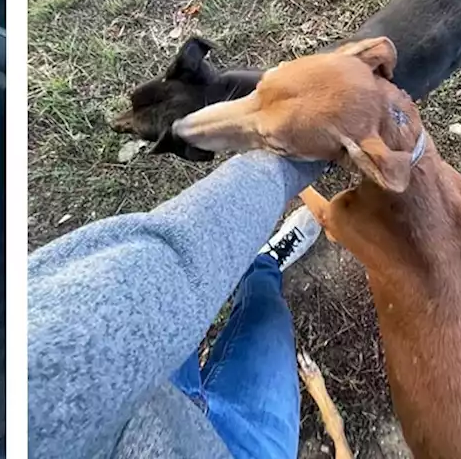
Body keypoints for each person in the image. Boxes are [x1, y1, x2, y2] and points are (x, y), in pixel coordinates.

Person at [28, 151, 326, 458]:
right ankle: (264, 265)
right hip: (242, 449)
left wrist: (293, 160)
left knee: (162, 284)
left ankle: (259, 265)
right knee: (271, 319)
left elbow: (172, 259)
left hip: (134, 374)